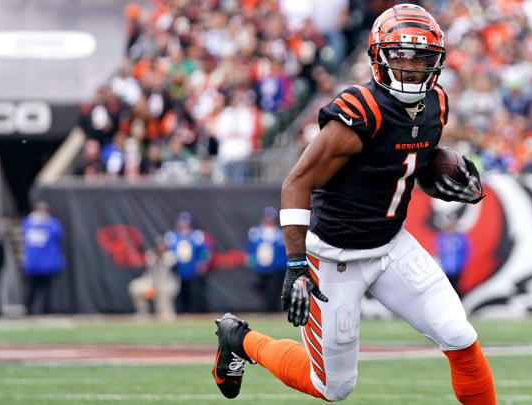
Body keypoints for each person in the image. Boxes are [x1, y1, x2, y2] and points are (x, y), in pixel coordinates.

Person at [212, 5, 496, 404]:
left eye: (421, 58)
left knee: (458, 334)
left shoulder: (436, 104)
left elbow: (405, 157)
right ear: (379, 58)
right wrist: (296, 266)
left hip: (392, 244)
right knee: (333, 386)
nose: (412, 68)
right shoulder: (359, 112)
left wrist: (442, 174)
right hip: (335, 256)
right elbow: (296, 183)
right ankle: (239, 339)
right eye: (401, 56)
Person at [22, 201, 65, 315]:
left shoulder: (52, 224)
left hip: (47, 264)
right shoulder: (29, 222)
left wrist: (45, 223)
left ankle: (46, 311)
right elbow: (25, 229)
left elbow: (58, 234)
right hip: (33, 264)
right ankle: (28, 310)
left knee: (47, 291)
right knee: (31, 289)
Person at [165, 211, 211, 313]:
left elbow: (205, 250)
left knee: (194, 293)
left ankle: (194, 313)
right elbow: (166, 250)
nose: (183, 224)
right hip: (177, 270)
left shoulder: (197, 235)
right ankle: (180, 312)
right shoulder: (171, 236)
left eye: (185, 222)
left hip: (193, 269)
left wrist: (203, 263)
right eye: (181, 222)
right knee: (178, 293)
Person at [245, 207, 287, 312]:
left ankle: (272, 310)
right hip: (260, 267)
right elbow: (249, 249)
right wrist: (251, 261)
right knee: (260, 288)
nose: (269, 221)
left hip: (276, 268)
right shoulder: (255, 232)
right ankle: (265, 310)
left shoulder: (281, 233)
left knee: (273, 290)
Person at [128, 236, 179, 319]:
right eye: (159, 245)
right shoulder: (151, 254)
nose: (160, 247)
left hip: (167, 283)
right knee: (135, 287)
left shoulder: (171, 255)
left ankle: (166, 313)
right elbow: (147, 266)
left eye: (162, 245)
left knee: (164, 313)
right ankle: (143, 312)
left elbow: (170, 265)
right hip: (151, 282)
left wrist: (160, 255)